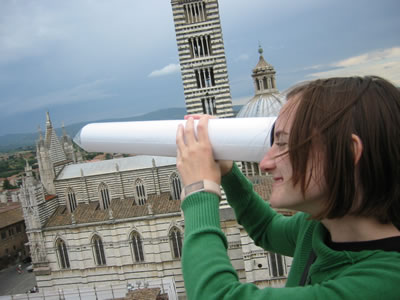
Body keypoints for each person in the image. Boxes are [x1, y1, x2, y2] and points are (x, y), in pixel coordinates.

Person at [176, 76, 400, 300]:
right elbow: (267, 228)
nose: (265, 164)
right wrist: (229, 173)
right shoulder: (319, 227)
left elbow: (216, 296)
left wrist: (199, 191)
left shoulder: (384, 284)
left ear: (347, 152)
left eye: (282, 143)